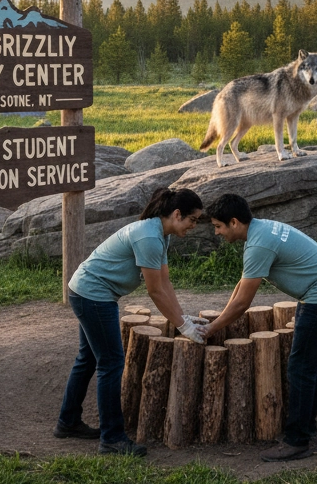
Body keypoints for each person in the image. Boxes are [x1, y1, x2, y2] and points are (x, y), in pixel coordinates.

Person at [55, 187, 208, 456]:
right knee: (111, 363)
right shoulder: (149, 236)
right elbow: (155, 290)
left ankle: (68, 422)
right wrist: (183, 327)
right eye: (193, 219)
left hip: (87, 291)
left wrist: (183, 318)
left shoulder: (160, 234)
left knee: (88, 358)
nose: (194, 226)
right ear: (176, 214)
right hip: (93, 295)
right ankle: (112, 438)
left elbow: (165, 282)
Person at [202, 193, 317, 462]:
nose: (217, 232)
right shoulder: (259, 230)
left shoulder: (260, 244)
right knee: (305, 364)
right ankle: (307, 426)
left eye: (218, 226)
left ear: (234, 222)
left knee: (300, 367)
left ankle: (297, 441)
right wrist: (219, 319)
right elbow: (241, 285)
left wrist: (211, 330)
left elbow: (243, 303)